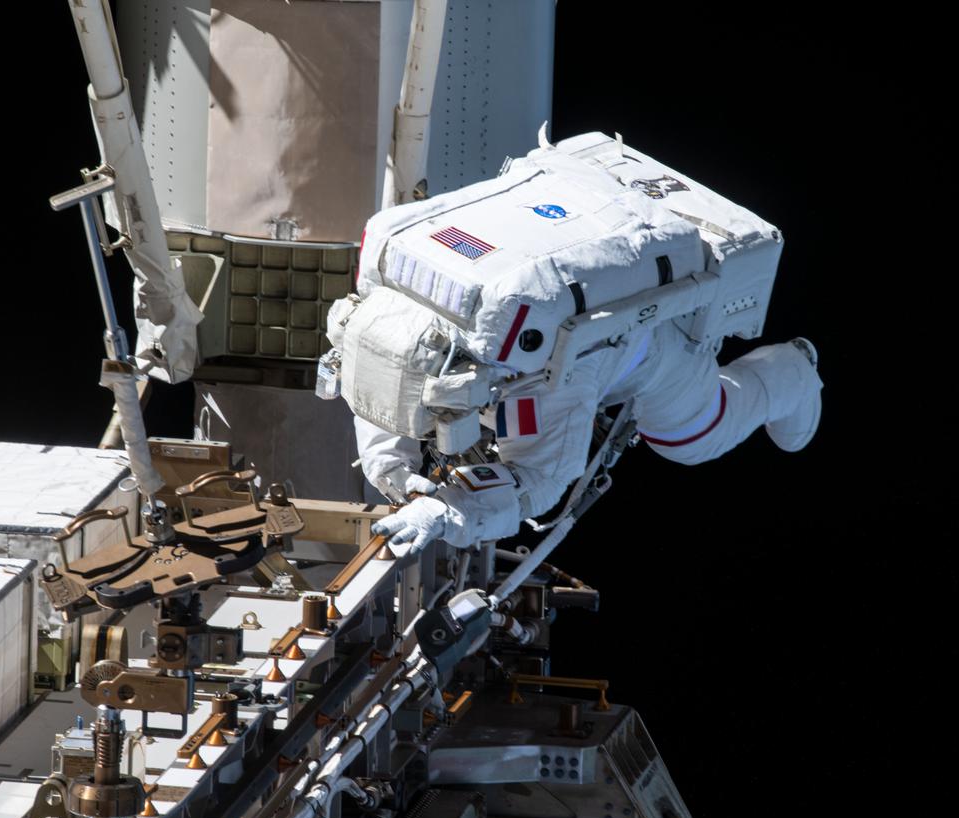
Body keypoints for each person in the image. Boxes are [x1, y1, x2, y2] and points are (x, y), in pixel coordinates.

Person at [323, 132, 823, 551]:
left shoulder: (545, 375)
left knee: (692, 437)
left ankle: (794, 372)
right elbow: (381, 385)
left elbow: (539, 482)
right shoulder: (393, 314)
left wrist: (448, 514)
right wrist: (391, 468)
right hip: (594, 226)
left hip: (656, 339)